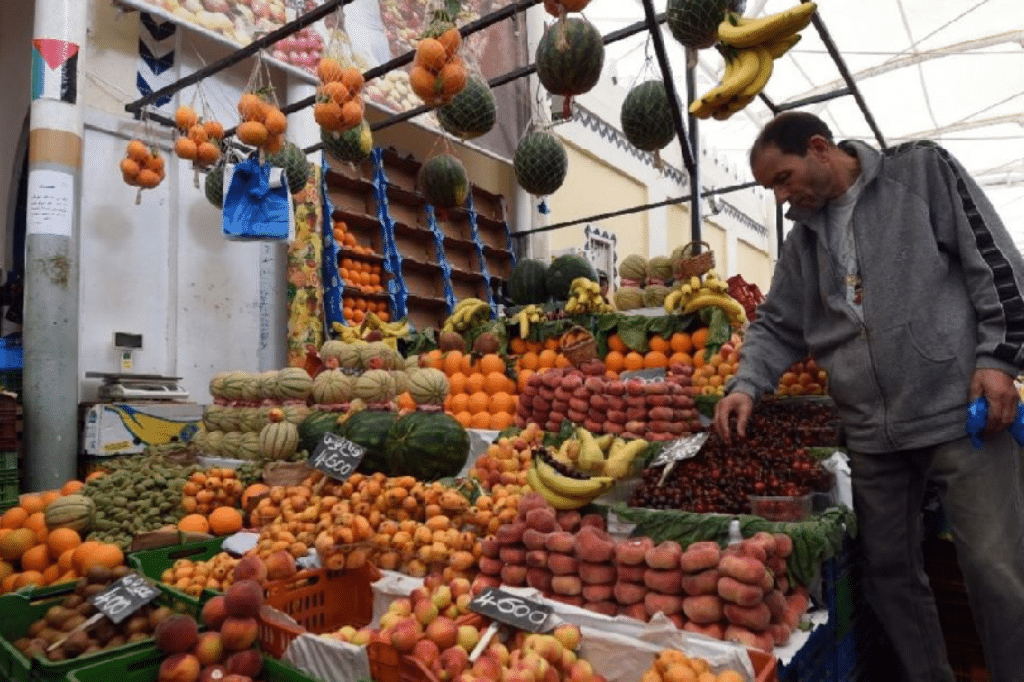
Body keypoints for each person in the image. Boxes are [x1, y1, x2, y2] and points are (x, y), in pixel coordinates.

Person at [713, 111, 1024, 682]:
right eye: (771, 188)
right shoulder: (803, 239)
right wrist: (747, 384)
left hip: (959, 412)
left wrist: (999, 358)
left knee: (995, 568)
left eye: (783, 178)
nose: (781, 197)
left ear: (819, 149)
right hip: (872, 433)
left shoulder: (919, 172)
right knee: (888, 575)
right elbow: (778, 323)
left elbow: (995, 260)